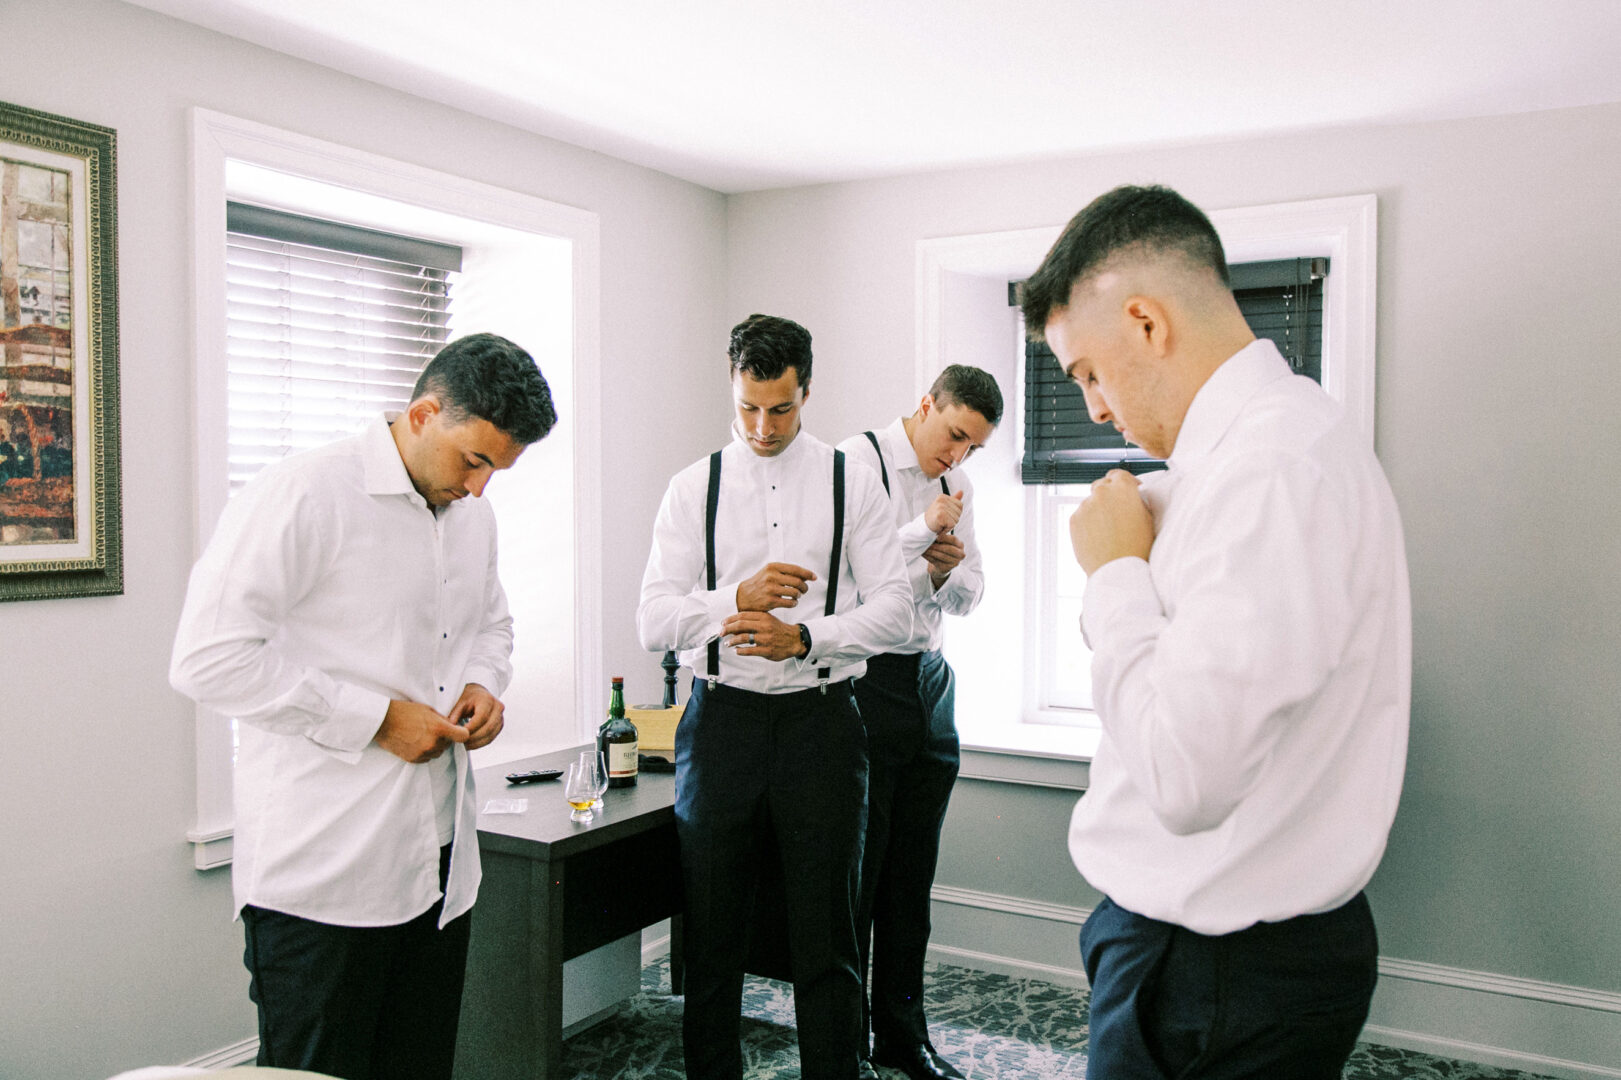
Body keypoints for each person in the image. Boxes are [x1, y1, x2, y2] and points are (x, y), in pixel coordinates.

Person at [1020, 185, 1411, 1079]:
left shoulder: (1269, 471)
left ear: (1147, 323)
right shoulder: (1264, 453)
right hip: (1214, 959)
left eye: (1085, 371)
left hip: (1212, 977)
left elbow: (1186, 777)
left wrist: (1116, 573)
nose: (1091, 408)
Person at [169, 333, 557, 1080]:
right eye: (474, 460)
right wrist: (376, 719)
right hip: (323, 878)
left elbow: (491, 624)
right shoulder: (303, 494)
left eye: (498, 470)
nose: (481, 488)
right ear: (422, 414)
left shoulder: (473, 514)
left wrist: (483, 682)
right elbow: (207, 658)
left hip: (439, 868)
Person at [637, 314, 913, 1080]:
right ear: (732, 388)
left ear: (807, 393)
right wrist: (733, 598)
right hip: (719, 723)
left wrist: (808, 638)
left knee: (825, 935)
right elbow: (653, 617)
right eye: (748, 406)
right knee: (713, 933)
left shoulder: (849, 479)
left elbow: (894, 608)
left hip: (820, 726)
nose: (762, 427)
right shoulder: (693, 488)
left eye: (780, 409)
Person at [835, 365, 1001, 1080]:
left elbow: (970, 593)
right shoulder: (852, 464)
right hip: (864, 686)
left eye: (973, 448)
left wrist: (943, 569)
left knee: (911, 880)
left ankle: (902, 1036)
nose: (958, 457)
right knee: (858, 881)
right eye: (954, 435)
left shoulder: (956, 488)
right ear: (925, 404)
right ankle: (844, 1049)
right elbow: (839, 589)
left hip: (930, 686)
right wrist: (915, 538)